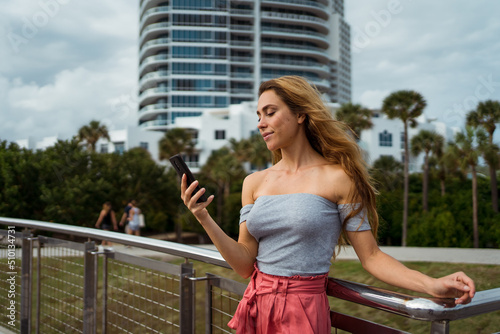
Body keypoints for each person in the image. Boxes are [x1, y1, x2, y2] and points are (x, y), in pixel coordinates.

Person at [180, 76, 475, 333]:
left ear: (300, 115)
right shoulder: (253, 183)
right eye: (259, 115)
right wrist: (203, 216)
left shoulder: (340, 178)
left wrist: (431, 285)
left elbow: (371, 257)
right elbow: (244, 263)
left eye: (270, 113)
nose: (261, 123)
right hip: (256, 305)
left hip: (304, 310)